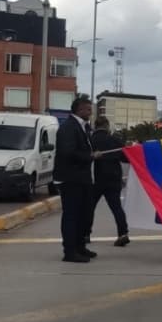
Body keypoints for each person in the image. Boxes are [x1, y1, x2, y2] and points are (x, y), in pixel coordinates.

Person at [55, 98, 104, 263]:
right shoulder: (68, 127)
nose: (90, 112)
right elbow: (67, 152)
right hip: (71, 179)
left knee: (84, 214)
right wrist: (90, 156)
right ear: (79, 110)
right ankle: (70, 251)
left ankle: (80, 246)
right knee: (72, 215)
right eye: (88, 109)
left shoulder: (83, 127)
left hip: (83, 179)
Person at [90, 116, 130, 247]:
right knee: (116, 207)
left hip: (96, 179)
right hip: (113, 179)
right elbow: (125, 158)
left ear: (95, 126)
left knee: (89, 208)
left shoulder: (90, 140)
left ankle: (85, 234)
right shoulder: (115, 140)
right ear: (107, 126)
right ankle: (123, 233)